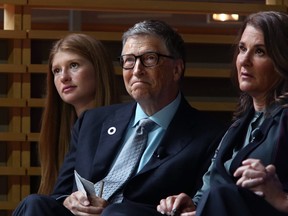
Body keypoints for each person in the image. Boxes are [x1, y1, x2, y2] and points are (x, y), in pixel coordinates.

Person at [13, 20, 224, 216]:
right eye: (129, 61)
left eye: (149, 59)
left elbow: (199, 206)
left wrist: (111, 210)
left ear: (177, 69)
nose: (137, 70)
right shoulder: (92, 121)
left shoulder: (210, 136)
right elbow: (59, 195)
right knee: (34, 204)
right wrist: (70, 201)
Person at [157, 11, 288, 216]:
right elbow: (209, 190)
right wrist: (193, 205)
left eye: (260, 51)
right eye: (242, 49)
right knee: (124, 209)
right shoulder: (238, 125)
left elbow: (225, 197)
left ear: (282, 60)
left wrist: (281, 198)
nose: (244, 60)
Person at [38, 33, 119, 195]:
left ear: (98, 69)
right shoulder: (57, 135)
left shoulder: (129, 126)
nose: (64, 77)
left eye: (74, 65)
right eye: (57, 71)